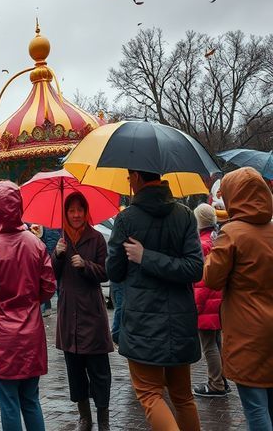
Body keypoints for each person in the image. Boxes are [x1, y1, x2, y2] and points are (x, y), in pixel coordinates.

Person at [106, 170, 203, 431]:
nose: (129, 182)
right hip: (180, 321)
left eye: (129, 177)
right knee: (183, 398)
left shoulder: (126, 219)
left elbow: (113, 271)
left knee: (150, 395)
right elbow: (194, 268)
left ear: (136, 176)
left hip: (142, 323)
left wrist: (144, 256)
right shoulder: (184, 215)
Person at [0, 181, 56, 431]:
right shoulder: (36, 245)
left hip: (3, 339)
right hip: (31, 334)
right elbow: (49, 287)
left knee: (9, 404)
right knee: (31, 400)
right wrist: (30, 300)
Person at [203, 167, 273, 430]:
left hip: (247, 333)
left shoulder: (232, 233)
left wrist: (212, 252)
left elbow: (211, 278)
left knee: (255, 408)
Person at [52, 193, 113, 431]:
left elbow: (107, 272)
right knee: (75, 371)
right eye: (71, 210)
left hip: (92, 314)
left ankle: (103, 421)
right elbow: (51, 275)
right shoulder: (62, 240)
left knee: (99, 371)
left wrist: (85, 265)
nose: (76, 215)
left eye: (80, 210)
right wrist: (57, 256)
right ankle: (84, 417)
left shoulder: (96, 238)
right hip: (69, 315)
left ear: (85, 212)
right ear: (66, 213)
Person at [191, 203, 228, 397]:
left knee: (209, 345)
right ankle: (222, 380)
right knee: (216, 342)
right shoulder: (216, 239)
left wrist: (195, 306)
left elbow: (202, 281)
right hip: (217, 301)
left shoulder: (201, 244)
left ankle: (216, 384)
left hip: (206, 303)